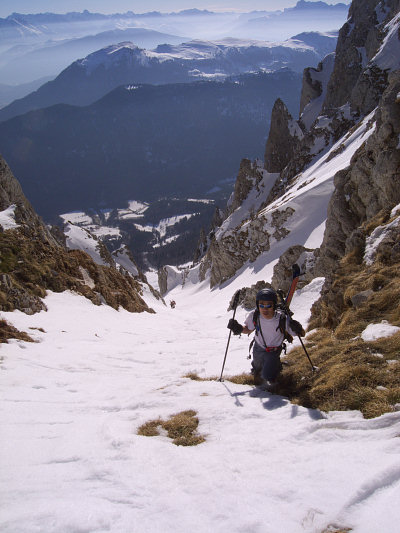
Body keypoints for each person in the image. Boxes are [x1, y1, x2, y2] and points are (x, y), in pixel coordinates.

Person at [227, 288, 305, 390]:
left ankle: (276, 372)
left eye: (268, 305)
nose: (265, 308)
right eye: (261, 305)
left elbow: (300, 334)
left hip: (274, 350)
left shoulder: (281, 318)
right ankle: (262, 380)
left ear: (274, 305)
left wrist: (298, 328)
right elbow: (248, 329)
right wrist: (238, 328)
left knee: (268, 376)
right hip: (258, 347)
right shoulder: (255, 316)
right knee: (257, 371)